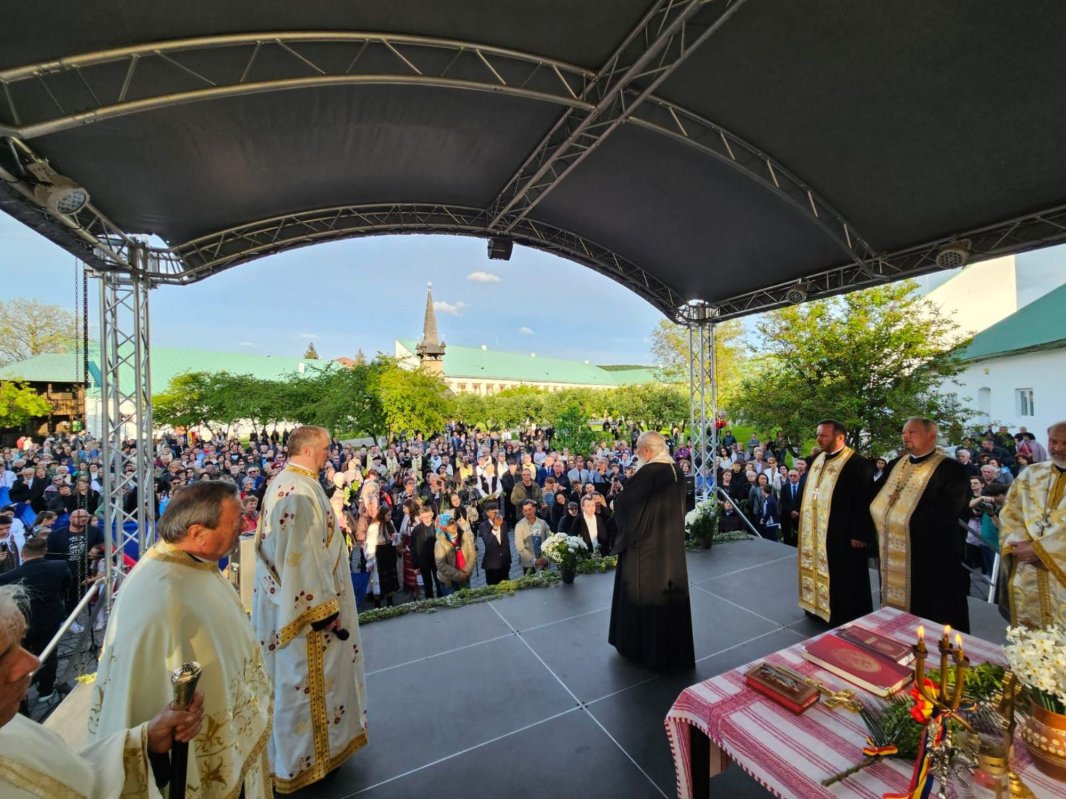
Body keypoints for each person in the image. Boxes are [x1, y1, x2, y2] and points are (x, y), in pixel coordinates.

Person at [88, 480, 273, 797]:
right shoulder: (163, 600)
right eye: (236, 521)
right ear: (198, 533)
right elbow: (150, 695)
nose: (245, 526)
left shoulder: (194, 564)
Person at [0, 585, 205, 798]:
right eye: (4, 656)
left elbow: (76, 778)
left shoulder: (13, 726)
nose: (32, 663)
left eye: (21, 641)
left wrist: (147, 743)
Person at [252, 425, 368, 793]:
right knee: (306, 687)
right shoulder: (299, 494)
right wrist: (324, 612)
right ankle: (312, 761)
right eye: (326, 448)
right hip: (310, 619)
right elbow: (302, 559)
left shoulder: (291, 483)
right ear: (309, 450)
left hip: (294, 604)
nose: (329, 454)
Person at [870, 417, 972, 632]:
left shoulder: (952, 469)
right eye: (904, 432)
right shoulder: (897, 463)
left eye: (912, 432)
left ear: (931, 435)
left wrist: (903, 522)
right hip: (894, 547)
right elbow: (875, 493)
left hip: (933, 552)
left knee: (934, 608)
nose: (905, 436)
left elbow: (951, 509)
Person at [608, 431, 694, 671]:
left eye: (637, 447)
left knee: (643, 594)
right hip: (670, 547)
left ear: (646, 450)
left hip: (646, 549)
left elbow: (627, 506)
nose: (635, 452)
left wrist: (616, 502)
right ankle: (671, 651)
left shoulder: (648, 472)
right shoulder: (675, 470)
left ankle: (642, 650)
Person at [797, 420, 875, 626]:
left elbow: (864, 502)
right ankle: (816, 609)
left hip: (843, 535)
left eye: (823, 435)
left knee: (843, 576)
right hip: (816, 533)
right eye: (818, 434)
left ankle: (843, 615)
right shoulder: (818, 459)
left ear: (840, 437)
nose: (818, 439)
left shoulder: (858, 464)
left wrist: (860, 533)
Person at [999, 420, 1066, 628]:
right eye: (1053, 441)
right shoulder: (1031, 474)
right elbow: (1011, 514)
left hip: (1060, 577)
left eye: (1065, 443)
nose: (1057, 448)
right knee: (1030, 640)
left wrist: (1042, 551)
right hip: (1027, 571)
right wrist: (1020, 546)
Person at [0, 536, 70, 703]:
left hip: (23, 624)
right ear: (44, 551)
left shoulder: (7, 577)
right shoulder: (59, 566)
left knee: (22, 657)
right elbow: (66, 585)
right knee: (49, 654)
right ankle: (46, 689)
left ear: (22, 553)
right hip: (50, 619)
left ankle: (23, 693)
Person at [434, 512, 475, 595]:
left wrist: (466, 572)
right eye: (449, 524)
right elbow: (441, 565)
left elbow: (472, 554)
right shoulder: (440, 542)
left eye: (453, 522)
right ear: (443, 528)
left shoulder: (464, 535)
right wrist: (459, 575)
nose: (453, 525)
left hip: (465, 576)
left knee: (468, 600)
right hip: (449, 581)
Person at [478, 502, 512, 585]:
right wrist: (496, 527)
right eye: (493, 512)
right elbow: (488, 543)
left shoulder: (504, 523)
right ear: (487, 513)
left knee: (506, 585)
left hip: (504, 562)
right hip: (492, 564)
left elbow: (506, 542)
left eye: (497, 512)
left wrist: (508, 557)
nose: (496, 514)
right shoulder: (483, 526)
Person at [515, 499, 551, 575]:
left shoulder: (543, 523)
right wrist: (534, 560)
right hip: (529, 564)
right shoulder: (519, 526)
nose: (528, 512)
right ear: (523, 512)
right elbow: (520, 547)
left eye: (530, 509)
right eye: (525, 510)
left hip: (544, 562)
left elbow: (549, 541)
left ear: (534, 509)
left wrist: (544, 558)